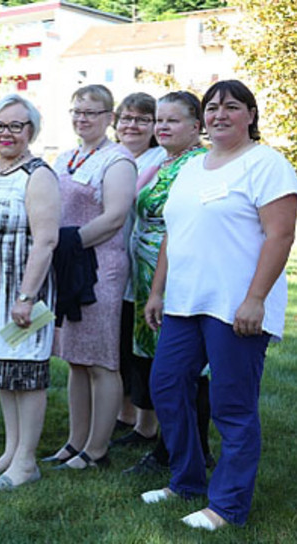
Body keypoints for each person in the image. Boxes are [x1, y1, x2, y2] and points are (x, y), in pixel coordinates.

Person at [142, 80, 297, 530]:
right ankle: (187, 480)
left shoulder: (267, 164)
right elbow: (175, 229)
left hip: (235, 307)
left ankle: (227, 506)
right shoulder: (194, 167)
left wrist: (255, 300)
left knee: (233, 406)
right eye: (212, 108)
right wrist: (157, 291)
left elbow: (280, 235)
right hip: (184, 303)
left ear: (250, 114)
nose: (219, 115)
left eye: (231, 107)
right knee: (167, 386)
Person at [0, 94, 59, 489]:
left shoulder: (38, 175)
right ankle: (10, 451)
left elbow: (46, 241)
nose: (6, 134)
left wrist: (26, 297)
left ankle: (26, 463)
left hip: (24, 293)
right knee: (4, 373)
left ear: (31, 131)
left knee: (27, 373)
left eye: (16, 126)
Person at [42, 84, 135, 471]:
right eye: (77, 111)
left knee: (101, 360)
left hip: (101, 267)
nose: (83, 118)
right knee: (76, 360)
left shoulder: (118, 160)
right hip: (68, 266)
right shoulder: (66, 157)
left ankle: (97, 449)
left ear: (109, 118)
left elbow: (114, 217)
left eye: (92, 112)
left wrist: (68, 243)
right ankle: (74, 442)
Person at [124, 91, 213, 476]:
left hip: (177, 272)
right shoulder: (163, 160)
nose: (161, 127)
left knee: (185, 367)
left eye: (172, 121)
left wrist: (159, 286)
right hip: (145, 275)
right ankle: (165, 438)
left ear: (196, 127)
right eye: (159, 120)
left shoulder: (198, 164)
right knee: (159, 365)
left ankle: (186, 448)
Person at [111, 92, 164, 445]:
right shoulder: (107, 156)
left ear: (154, 127)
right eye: (126, 118)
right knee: (118, 345)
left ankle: (149, 423)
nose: (133, 125)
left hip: (147, 269)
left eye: (142, 119)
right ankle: (123, 412)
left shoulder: (161, 159)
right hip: (114, 268)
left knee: (145, 346)